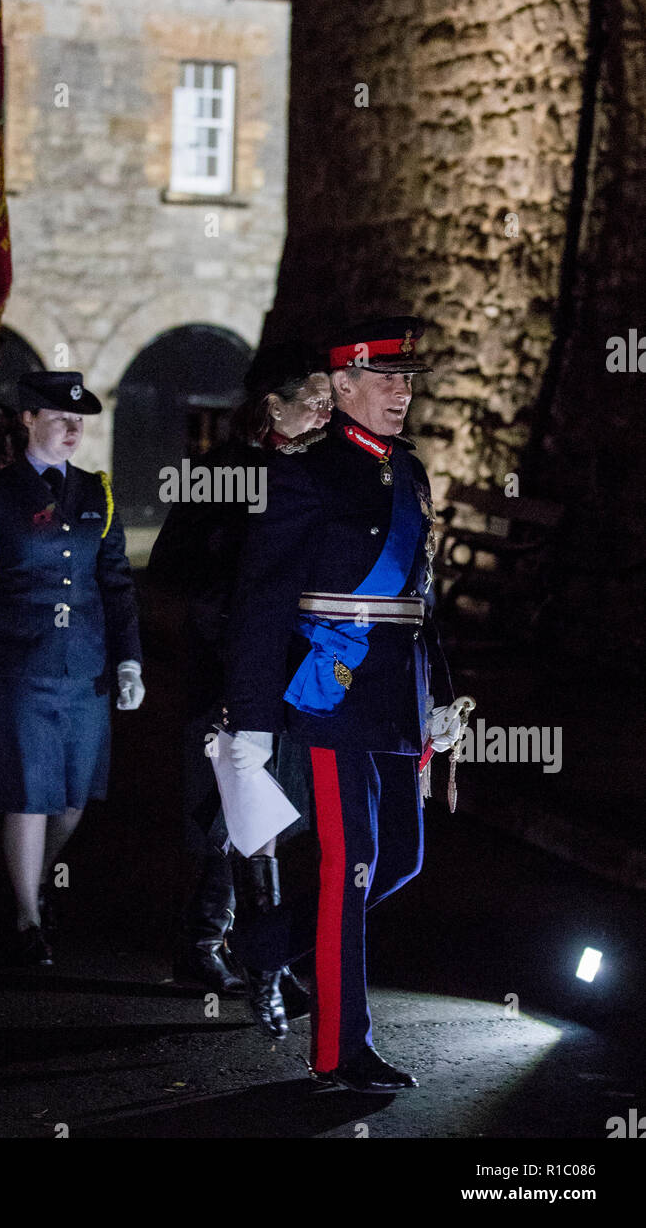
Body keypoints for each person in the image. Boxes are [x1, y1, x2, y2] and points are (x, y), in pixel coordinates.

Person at [224, 316, 465, 1092]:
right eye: (387, 379)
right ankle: (338, 1050)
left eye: (407, 382)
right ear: (344, 387)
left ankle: (262, 948)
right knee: (350, 861)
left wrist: (442, 699)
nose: (401, 394)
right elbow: (261, 602)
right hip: (332, 691)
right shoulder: (303, 472)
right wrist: (252, 719)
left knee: (400, 856)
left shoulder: (410, 471)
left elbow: (420, 596)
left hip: (397, 691)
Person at [148, 342, 332, 1036]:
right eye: (311, 399)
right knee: (234, 814)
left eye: (327, 399)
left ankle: (227, 945)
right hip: (226, 660)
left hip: (293, 666)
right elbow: (171, 564)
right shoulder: (222, 473)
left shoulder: (319, 471)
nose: (324, 411)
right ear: (271, 407)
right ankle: (234, 955)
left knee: (271, 813)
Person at [0, 370, 144, 966]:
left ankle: (32, 877)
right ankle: (27, 918)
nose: (72, 429)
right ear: (28, 420)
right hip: (22, 665)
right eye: (60, 418)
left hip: (85, 666)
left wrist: (130, 660)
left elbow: (115, 583)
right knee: (29, 793)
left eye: (79, 420)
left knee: (74, 799)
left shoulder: (98, 492)